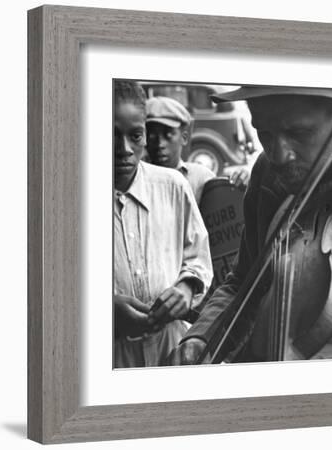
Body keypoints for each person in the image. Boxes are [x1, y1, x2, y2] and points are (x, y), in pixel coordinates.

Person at [169, 86, 332, 364]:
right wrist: (201, 338)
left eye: (299, 134)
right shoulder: (265, 169)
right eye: (265, 133)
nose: (279, 155)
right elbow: (243, 280)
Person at [113, 81, 213, 367]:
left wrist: (185, 289)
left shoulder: (173, 186)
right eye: (111, 135)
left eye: (135, 136)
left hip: (172, 351)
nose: (124, 149)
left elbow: (199, 259)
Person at [144, 96, 215, 204]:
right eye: (152, 136)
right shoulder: (139, 181)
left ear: (184, 138)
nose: (160, 144)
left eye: (168, 135)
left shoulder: (201, 178)